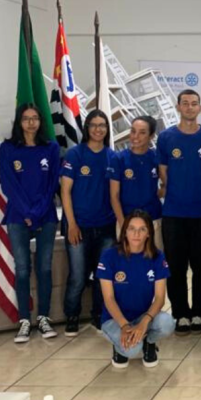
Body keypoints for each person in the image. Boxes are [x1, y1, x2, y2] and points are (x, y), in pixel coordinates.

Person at [157, 90, 201, 334]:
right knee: (176, 267)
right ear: (178, 107)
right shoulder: (166, 137)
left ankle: (199, 313)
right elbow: (163, 170)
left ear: (200, 108)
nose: (190, 107)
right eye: (185, 103)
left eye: (194, 103)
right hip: (173, 212)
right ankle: (180, 313)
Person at [0, 104, 60, 342]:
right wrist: (27, 212)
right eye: (26, 118)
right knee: (23, 268)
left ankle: (43, 318)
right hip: (17, 216)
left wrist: (36, 212)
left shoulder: (51, 148)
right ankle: (24, 320)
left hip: (45, 216)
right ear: (19, 122)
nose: (31, 123)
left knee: (44, 267)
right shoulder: (8, 148)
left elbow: (52, 184)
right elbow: (9, 184)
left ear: (40, 122)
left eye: (35, 118)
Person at [60, 109, 117, 336]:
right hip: (79, 226)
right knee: (78, 276)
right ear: (87, 128)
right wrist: (72, 224)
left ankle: (98, 315)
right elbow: (65, 191)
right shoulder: (75, 154)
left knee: (102, 275)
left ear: (107, 129)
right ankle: (72, 315)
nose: (98, 129)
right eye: (93, 125)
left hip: (106, 227)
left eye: (102, 125)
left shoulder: (112, 156)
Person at [97, 210, 174, 368]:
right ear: (125, 232)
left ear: (149, 233)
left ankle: (149, 342)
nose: (136, 234)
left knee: (167, 323)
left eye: (142, 229)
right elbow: (108, 299)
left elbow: (160, 298)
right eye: (132, 228)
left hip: (142, 316)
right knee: (132, 350)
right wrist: (124, 326)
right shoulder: (109, 256)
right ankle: (119, 346)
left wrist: (144, 323)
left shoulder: (157, 257)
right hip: (114, 319)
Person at [109, 115, 162, 230]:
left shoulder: (156, 158)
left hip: (153, 219)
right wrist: (123, 224)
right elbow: (114, 196)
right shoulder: (119, 159)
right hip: (127, 220)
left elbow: (167, 183)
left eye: (142, 133)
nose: (135, 136)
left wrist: (155, 194)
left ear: (151, 136)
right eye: (133, 131)